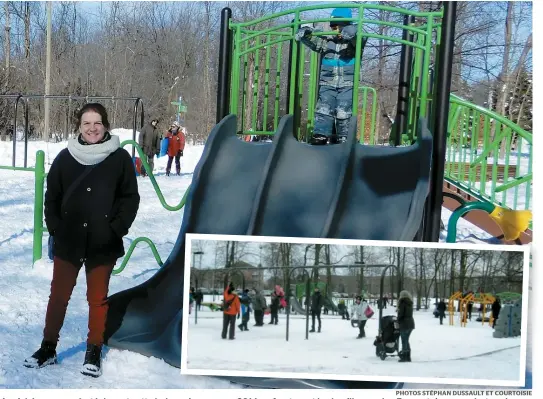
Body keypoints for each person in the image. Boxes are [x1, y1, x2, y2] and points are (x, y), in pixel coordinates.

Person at [23, 103, 140, 377]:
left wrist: (116, 229)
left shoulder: (120, 158)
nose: (92, 128)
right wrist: (56, 228)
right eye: (86, 123)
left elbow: (130, 198)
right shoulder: (65, 157)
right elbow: (52, 197)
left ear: (106, 125)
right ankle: (48, 347)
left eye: (97, 122)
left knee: (97, 299)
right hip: (69, 240)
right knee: (58, 297)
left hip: (103, 242)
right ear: (79, 126)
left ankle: (94, 349)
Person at [294, 8, 367, 145]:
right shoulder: (327, 40)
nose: (334, 29)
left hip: (347, 82)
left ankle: (344, 137)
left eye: (338, 26)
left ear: (346, 26)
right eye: (332, 26)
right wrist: (305, 34)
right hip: (327, 81)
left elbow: (361, 39)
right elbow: (315, 42)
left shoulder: (353, 42)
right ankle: (321, 134)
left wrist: (353, 33)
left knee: (343, 111)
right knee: (324, 108)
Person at [397, 290, 415, 363]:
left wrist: (398, 319)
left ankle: (404, 357)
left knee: (404, 341)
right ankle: (408, 356)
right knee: (406, 340)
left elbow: (401, 314)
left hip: (404, 324)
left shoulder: (402, 302)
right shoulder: (410, 303)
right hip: (411, 323)